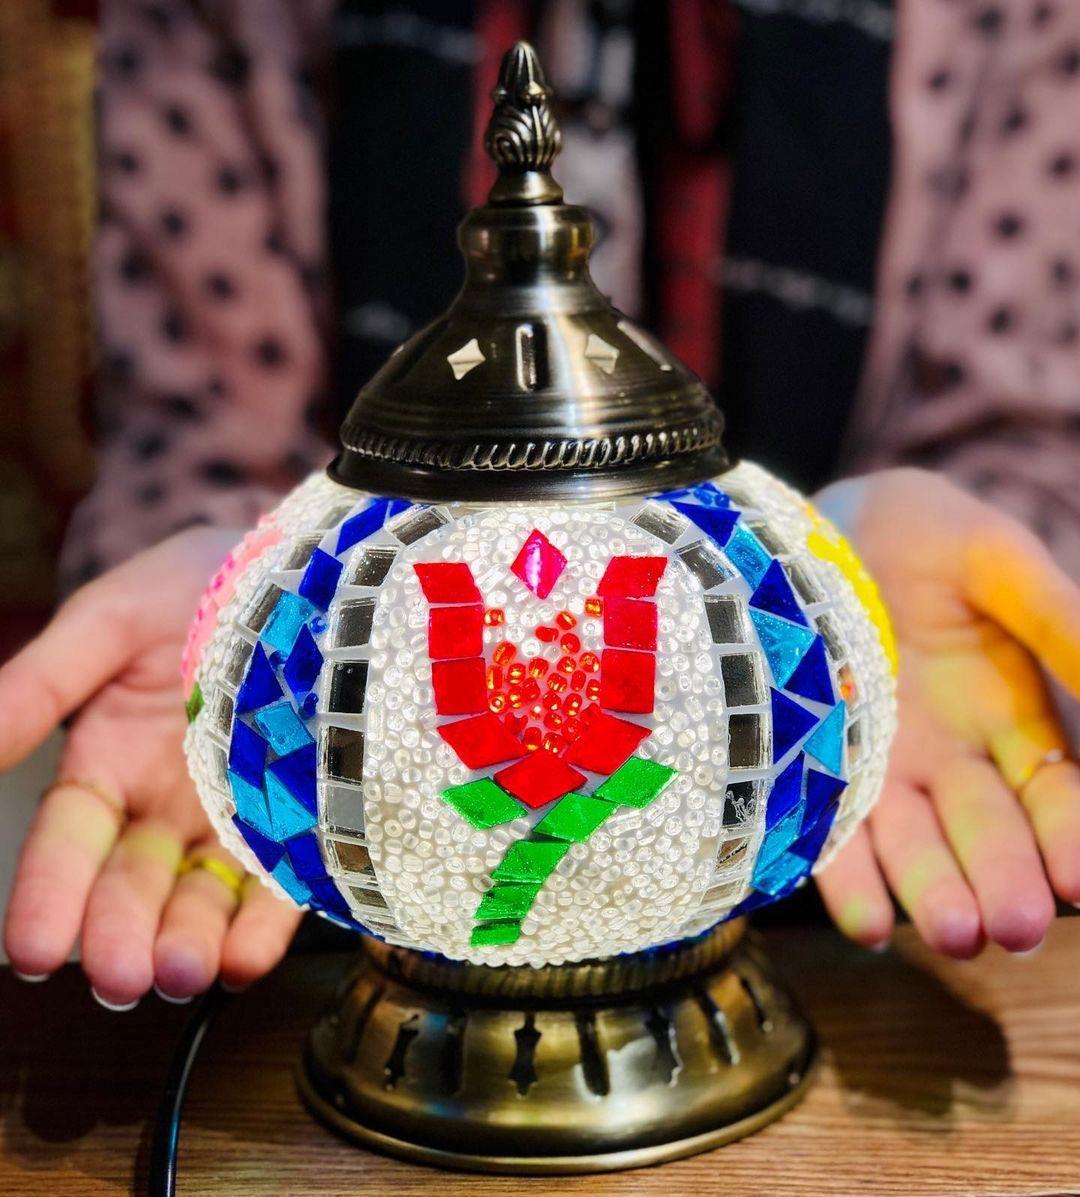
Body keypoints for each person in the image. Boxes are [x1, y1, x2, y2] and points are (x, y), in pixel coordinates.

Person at [2, 1, 1078, 1009]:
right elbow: (198, 428)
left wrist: (860, 579)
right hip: (358, 897)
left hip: (820, 933)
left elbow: (1025, 421)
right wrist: (248, 629)